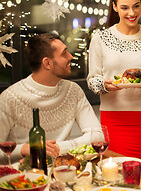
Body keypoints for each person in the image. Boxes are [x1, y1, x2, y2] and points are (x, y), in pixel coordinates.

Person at [87, 0, 141, 160]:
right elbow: (92, 80)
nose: (132, 13)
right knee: (113, 172)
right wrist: (105, 85)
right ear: (114, 7)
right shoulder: (100, 38)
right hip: (113, 119)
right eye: (125, 8)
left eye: (136, 6)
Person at [0, 33, 103, 164]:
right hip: (24, 178)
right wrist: (25, 149)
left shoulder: (73, 91)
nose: (70, 56)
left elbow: (97, 136)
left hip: (65, 170)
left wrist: (59, 148)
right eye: (64, 53)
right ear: (47, 63)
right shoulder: (10, 98)